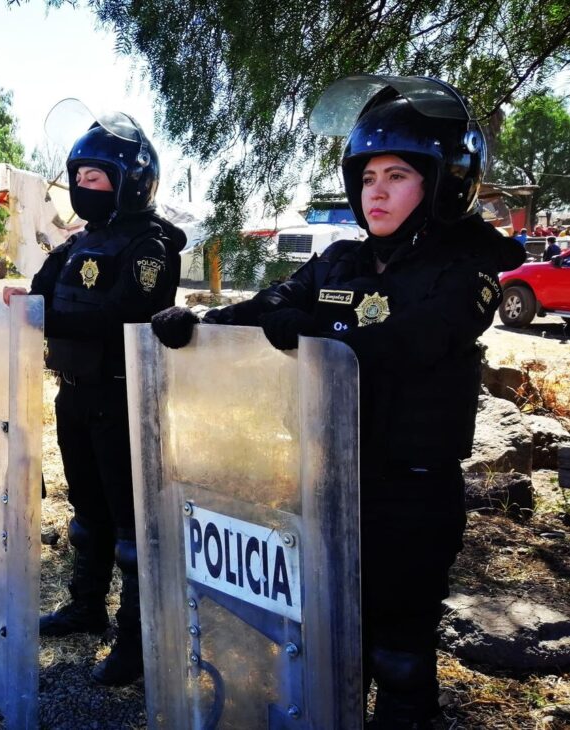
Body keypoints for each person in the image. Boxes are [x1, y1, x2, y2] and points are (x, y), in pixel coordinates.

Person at [152, 76, 526, 727]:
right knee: (330, 635)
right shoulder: (340, 263)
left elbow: (411, 342)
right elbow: (274, 302)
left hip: (411, 495)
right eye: (367, 175)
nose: (374, 190)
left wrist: (316, 332)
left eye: (398, 175)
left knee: (400, 650)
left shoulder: (466, 275)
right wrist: (200, 325)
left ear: (442, 182)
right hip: (328, 480)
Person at [0, 106, 183, 686]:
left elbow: (126, 315)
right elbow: (37, 291)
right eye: (78, 177)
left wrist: (43, 314)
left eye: (95, 178)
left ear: (129, 181)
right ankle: (86, 607)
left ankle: (136, 643)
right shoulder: (83, 241)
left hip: (123, 398)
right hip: (75, 395)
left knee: (132, 525)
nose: (83, 187)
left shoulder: (151, 245)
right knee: (87, 514)